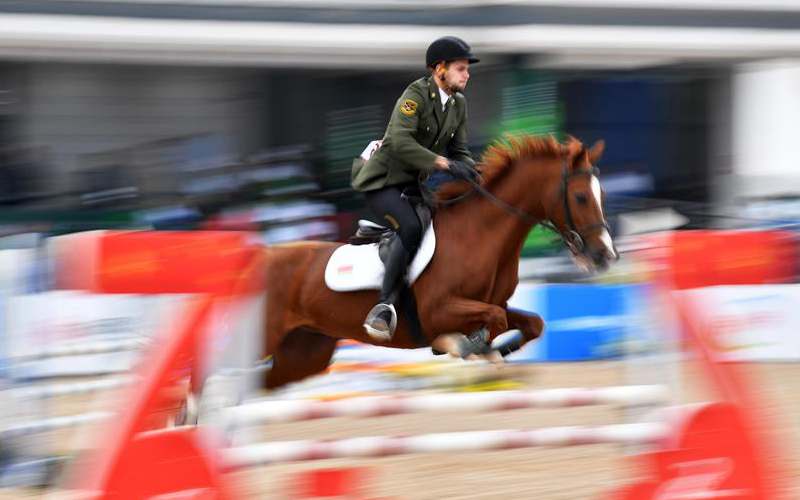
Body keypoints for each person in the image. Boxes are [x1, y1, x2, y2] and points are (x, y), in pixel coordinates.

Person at [351, 36, 481, 339]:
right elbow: (400, 142)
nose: (467, 75)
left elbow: (459, 151)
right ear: (439, 69)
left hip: (413, 185)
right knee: (410, 227)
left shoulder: (458, 104)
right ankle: (383, 307)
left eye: (467, 69)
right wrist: (446, 165)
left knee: (447, 225)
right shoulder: (415, 96)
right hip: (382, 181)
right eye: (461, 69)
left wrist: (472, 171)